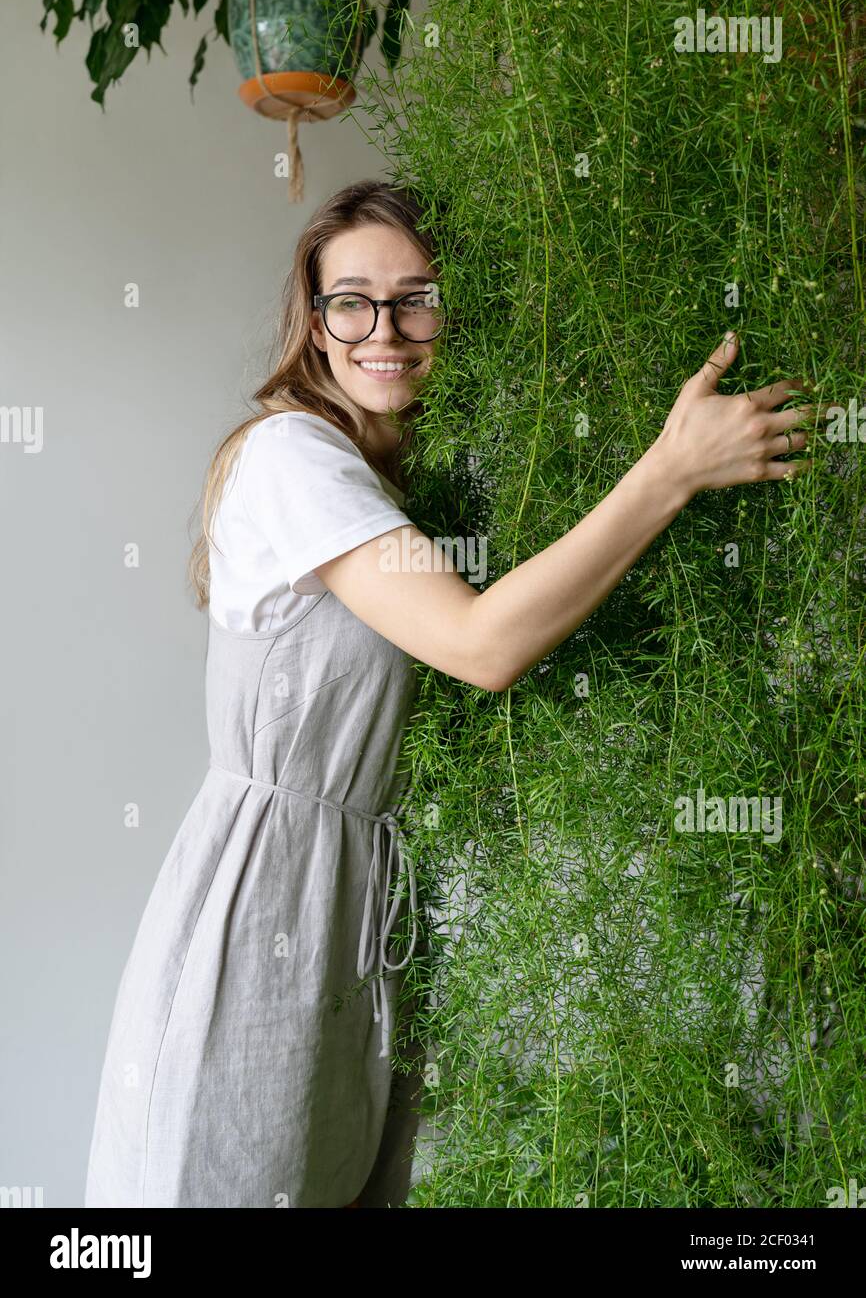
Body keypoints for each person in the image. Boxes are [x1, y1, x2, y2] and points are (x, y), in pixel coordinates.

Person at [83, 179, 817, 1209]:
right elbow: (482, 643)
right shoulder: (290, 457)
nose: (384, 329)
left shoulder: (389, 486)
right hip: (265, 905)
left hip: (357, 912)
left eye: (415, 297)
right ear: (315, 319)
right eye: (352, 300)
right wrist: (669, 470)